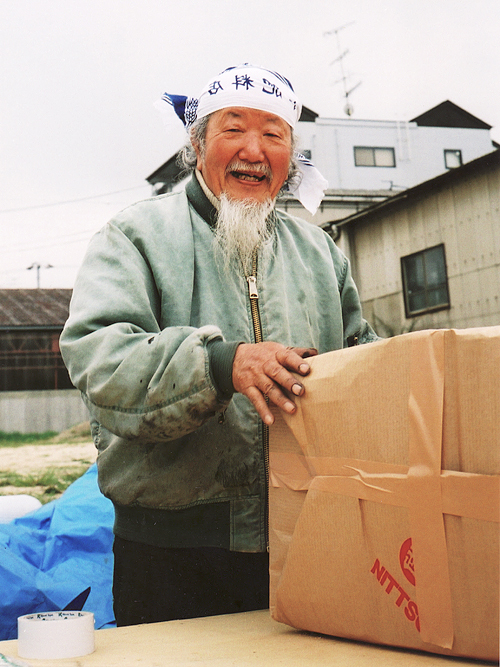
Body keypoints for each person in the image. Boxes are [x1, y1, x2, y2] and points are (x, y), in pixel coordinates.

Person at [60, 64, 378, 627]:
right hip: (170, 553)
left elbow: (366, 360)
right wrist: (219, 364)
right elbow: (99, 358)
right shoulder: (135, 235)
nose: (254, 150)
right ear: (197, 145)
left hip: (307, 538)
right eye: (233, 129)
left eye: (273, 134)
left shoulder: (320, 251)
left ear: (290, 156)